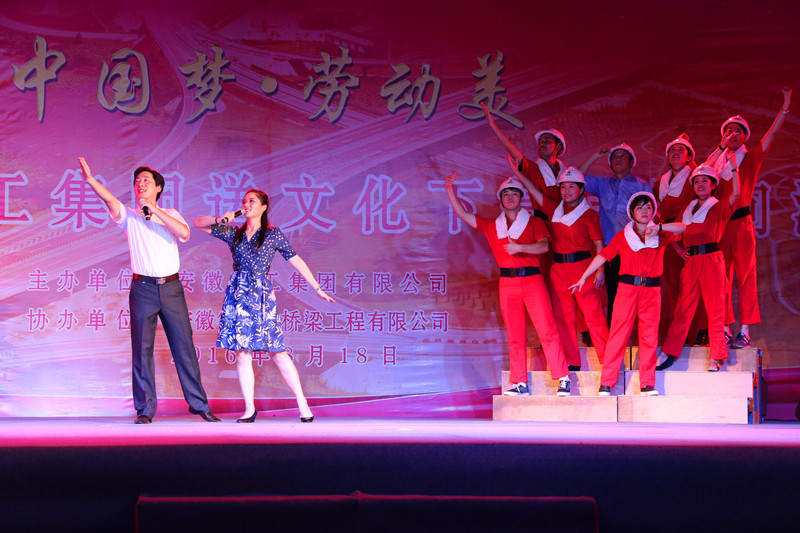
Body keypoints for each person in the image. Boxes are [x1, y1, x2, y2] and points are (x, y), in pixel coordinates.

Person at [77, 157, 219, 424]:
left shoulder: (171, 214)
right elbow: (109, 200)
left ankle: (199, 405)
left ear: (158, 188)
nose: (140, 184)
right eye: (137, 181)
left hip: (171, 288)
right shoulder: (129, 216)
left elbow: (184, 234)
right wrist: (91, 181)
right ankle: (145, 409)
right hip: (142, 288)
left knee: (184, 347)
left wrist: (153, 210)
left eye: (146, 181)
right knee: (142, 349)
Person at [194, 190, 334, 423]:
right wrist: (223, 218)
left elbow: (296, 260)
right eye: (244, 201)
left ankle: (302, 403)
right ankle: (249, 408)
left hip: (261, 294)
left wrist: (317, 288)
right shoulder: (234, 233)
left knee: (277, 351)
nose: (246, 205)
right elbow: (198, 223)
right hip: (238, 292)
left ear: (264, 207)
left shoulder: (272, 234)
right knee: (242, 353)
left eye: (252, 201)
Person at [444, 172, 571, 396]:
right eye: (506, 194)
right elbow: (463, 214)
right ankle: (520, 382)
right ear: (500, 199)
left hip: (532, 280)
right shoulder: (493, 225)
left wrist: (520, 248)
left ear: (521, 198)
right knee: (515, 334)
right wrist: (449, 190)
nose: (510, 197)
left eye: (514, 193)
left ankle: (563, 377)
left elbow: (543, 246)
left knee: (547, 329)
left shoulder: (534, 222)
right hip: (507, 283)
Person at [570, 192, 685, 396]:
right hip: (627, 289)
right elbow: (602, 256)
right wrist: (583, 276)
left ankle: (647, 383)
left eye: (648, 207)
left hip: (651, 290)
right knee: (618, 335)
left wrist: (659, 227)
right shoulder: (623, 236)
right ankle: (607, 382)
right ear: (632, 212)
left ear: (653, 211)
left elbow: (683, 228)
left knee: (649, 337)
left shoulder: (660, 235)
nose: (644, 211)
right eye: (639, 208)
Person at [703, 87, 792, 349]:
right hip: (720, 227)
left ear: (745, 136)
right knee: (721, 278)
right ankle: (724, 329)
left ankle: (744, 331)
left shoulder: (751, 157)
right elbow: (704, 168)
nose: (733, 135)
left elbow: (772, 134)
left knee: (746, 276)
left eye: (738, 132)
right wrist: (721, 147)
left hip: (742, 225)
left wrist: (785, 105)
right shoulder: (716, 164)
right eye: (729, 131)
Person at [510, 164, 609, 371]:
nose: (566, 191)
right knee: (563, 319)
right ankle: (572, 362)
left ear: (581, 189)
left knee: (594, 316)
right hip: (558, 269)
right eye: (563, 187)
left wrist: (600, 271)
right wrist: (518, 173)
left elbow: (599, 244)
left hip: (583, 268)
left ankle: (608, 363)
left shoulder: (589, 214)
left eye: (572, 186)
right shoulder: (554, 210)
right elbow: (533, 191)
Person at [657, 159, 740, 373]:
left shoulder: (718, 206)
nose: (701, 185)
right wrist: (677, 249)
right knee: (683, 309)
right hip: (692, 262)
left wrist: (734, 169)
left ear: (713, 185)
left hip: (712, 260)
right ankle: (670, 352)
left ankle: (716, 356)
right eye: (697, 181)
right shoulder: (688, 208)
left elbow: (736, 194)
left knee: (715, 309)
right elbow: (675, 232)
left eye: (705, 181)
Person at [579, 143, 653, 324]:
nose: (618, 160)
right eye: (615, 157)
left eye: (623, 157)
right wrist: (595, 156)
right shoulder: (602, 184)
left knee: (636, 293)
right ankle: (615, 335)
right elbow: (577, 177)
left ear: (631, 162)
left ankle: (637, 335)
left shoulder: (641, 185)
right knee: (613, 293)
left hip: (634, 248)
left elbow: (651, 217)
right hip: (611, 248)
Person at [654, 134, 701, 344]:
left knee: (692, 286)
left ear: (689, 157)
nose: (676, 153)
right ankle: (676, 336)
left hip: (688, 235)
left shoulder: (694, 179)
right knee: (671, 286)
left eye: (681, 150)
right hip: (668, 239)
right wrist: (671, 241)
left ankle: (696, 334)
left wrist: (677, 239)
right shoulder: (660, 183)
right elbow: (656, 213)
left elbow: (691, 207)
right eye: (672, 150)